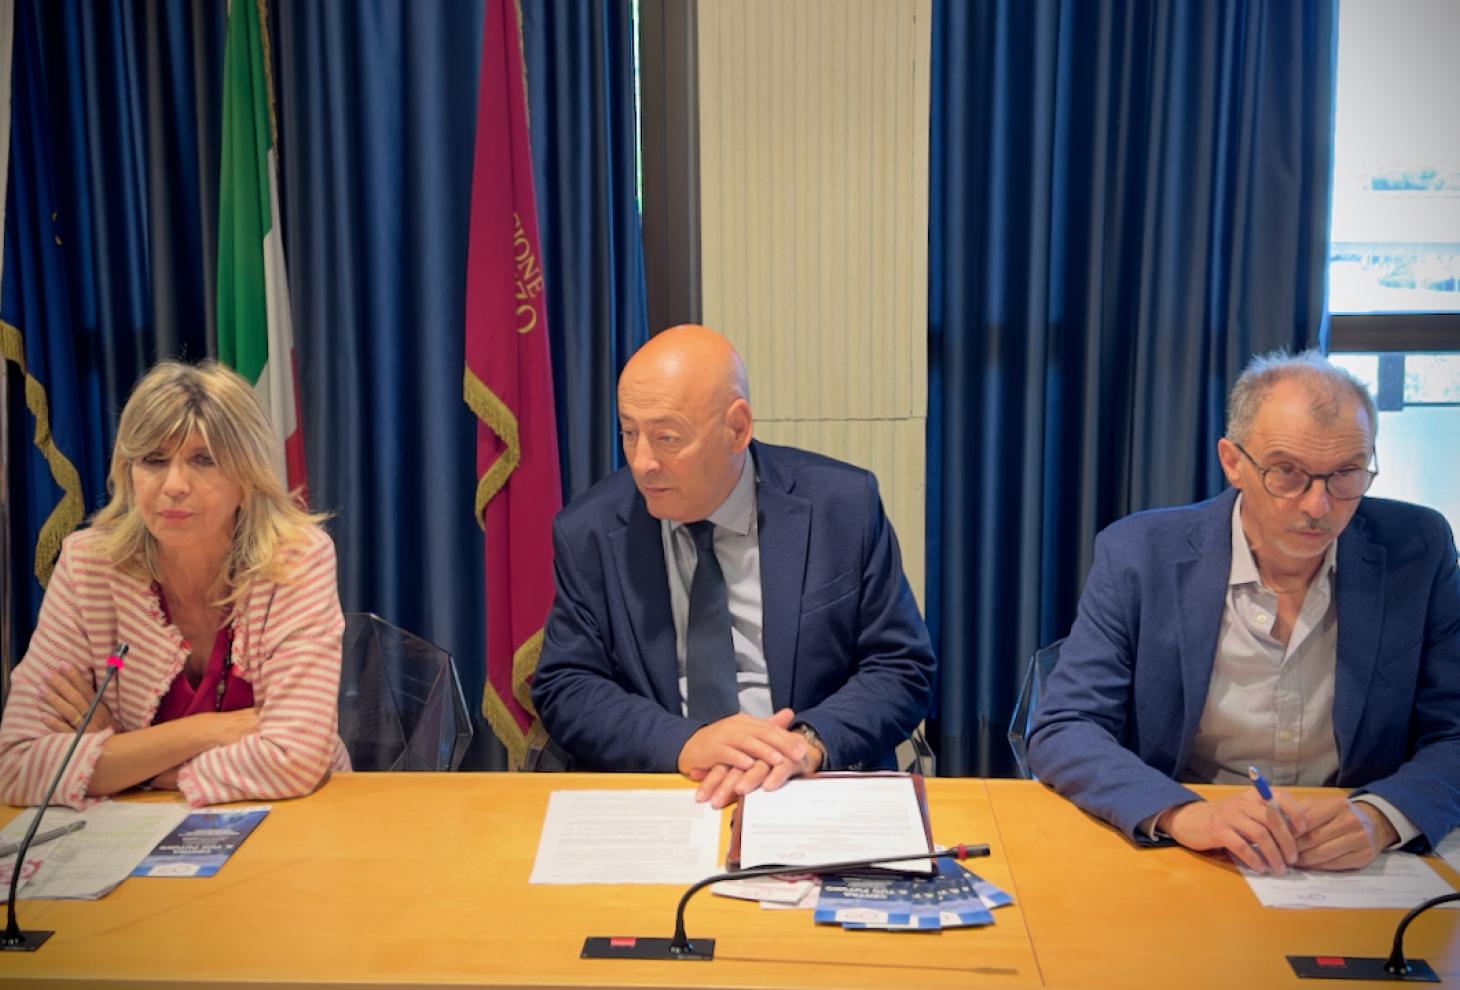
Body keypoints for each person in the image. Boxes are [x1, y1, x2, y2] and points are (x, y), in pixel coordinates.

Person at [1027, 350, 1460, 874]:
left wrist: (1385, 816)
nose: (1318, 506)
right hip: (1199, 850)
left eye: (1346, 473)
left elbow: (1454, 731)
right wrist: (1182, 813)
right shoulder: (1140, 553)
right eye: (1287, 473)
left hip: (1357, 856)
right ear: (1233, 462)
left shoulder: (1419, 548)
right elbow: (1066, 724)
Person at [531, 325, 935, 808]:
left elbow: (901, 667)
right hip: (666, 787)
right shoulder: (590, 531)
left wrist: (808, 743)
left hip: (808, 787)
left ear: (737, 428)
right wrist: (683, 742)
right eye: (629, 433)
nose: (642, 463)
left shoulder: (842, 508)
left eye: (666, 437)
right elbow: (567, 685)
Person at [0, 361, 349, 809]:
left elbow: (294, 758)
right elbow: (15, 765)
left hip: (296, 817)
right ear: (128, 472)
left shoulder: (295, 560)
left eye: (204, 460)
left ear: (247, 479)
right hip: (138, 833)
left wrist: (127, 757)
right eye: (154, 459)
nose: (174, 485)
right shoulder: (88, 566)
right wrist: (209, 731)